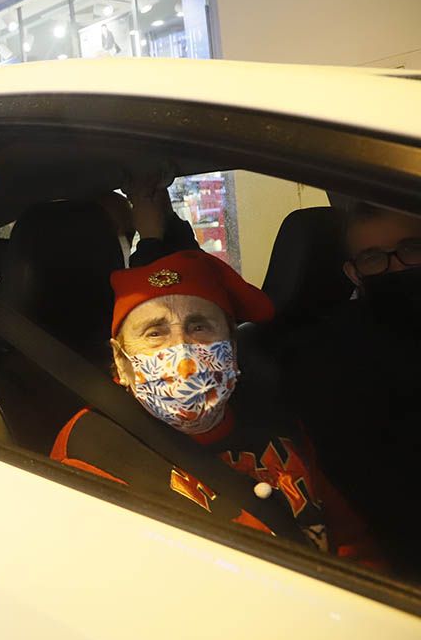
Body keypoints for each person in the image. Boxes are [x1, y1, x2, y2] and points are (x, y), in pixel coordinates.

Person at [51, 249, 380, 565]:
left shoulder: (272, 416)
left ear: (232, 348)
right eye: (155, 333)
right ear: (122, 363)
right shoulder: (92, 448)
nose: (181, 350)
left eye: (199, 327)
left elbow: (351, 541)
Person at [284, 203, 421, 578]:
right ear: (353, 272)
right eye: (374, 258)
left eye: (409, 249)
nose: (394, 267)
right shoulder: (329, 356)